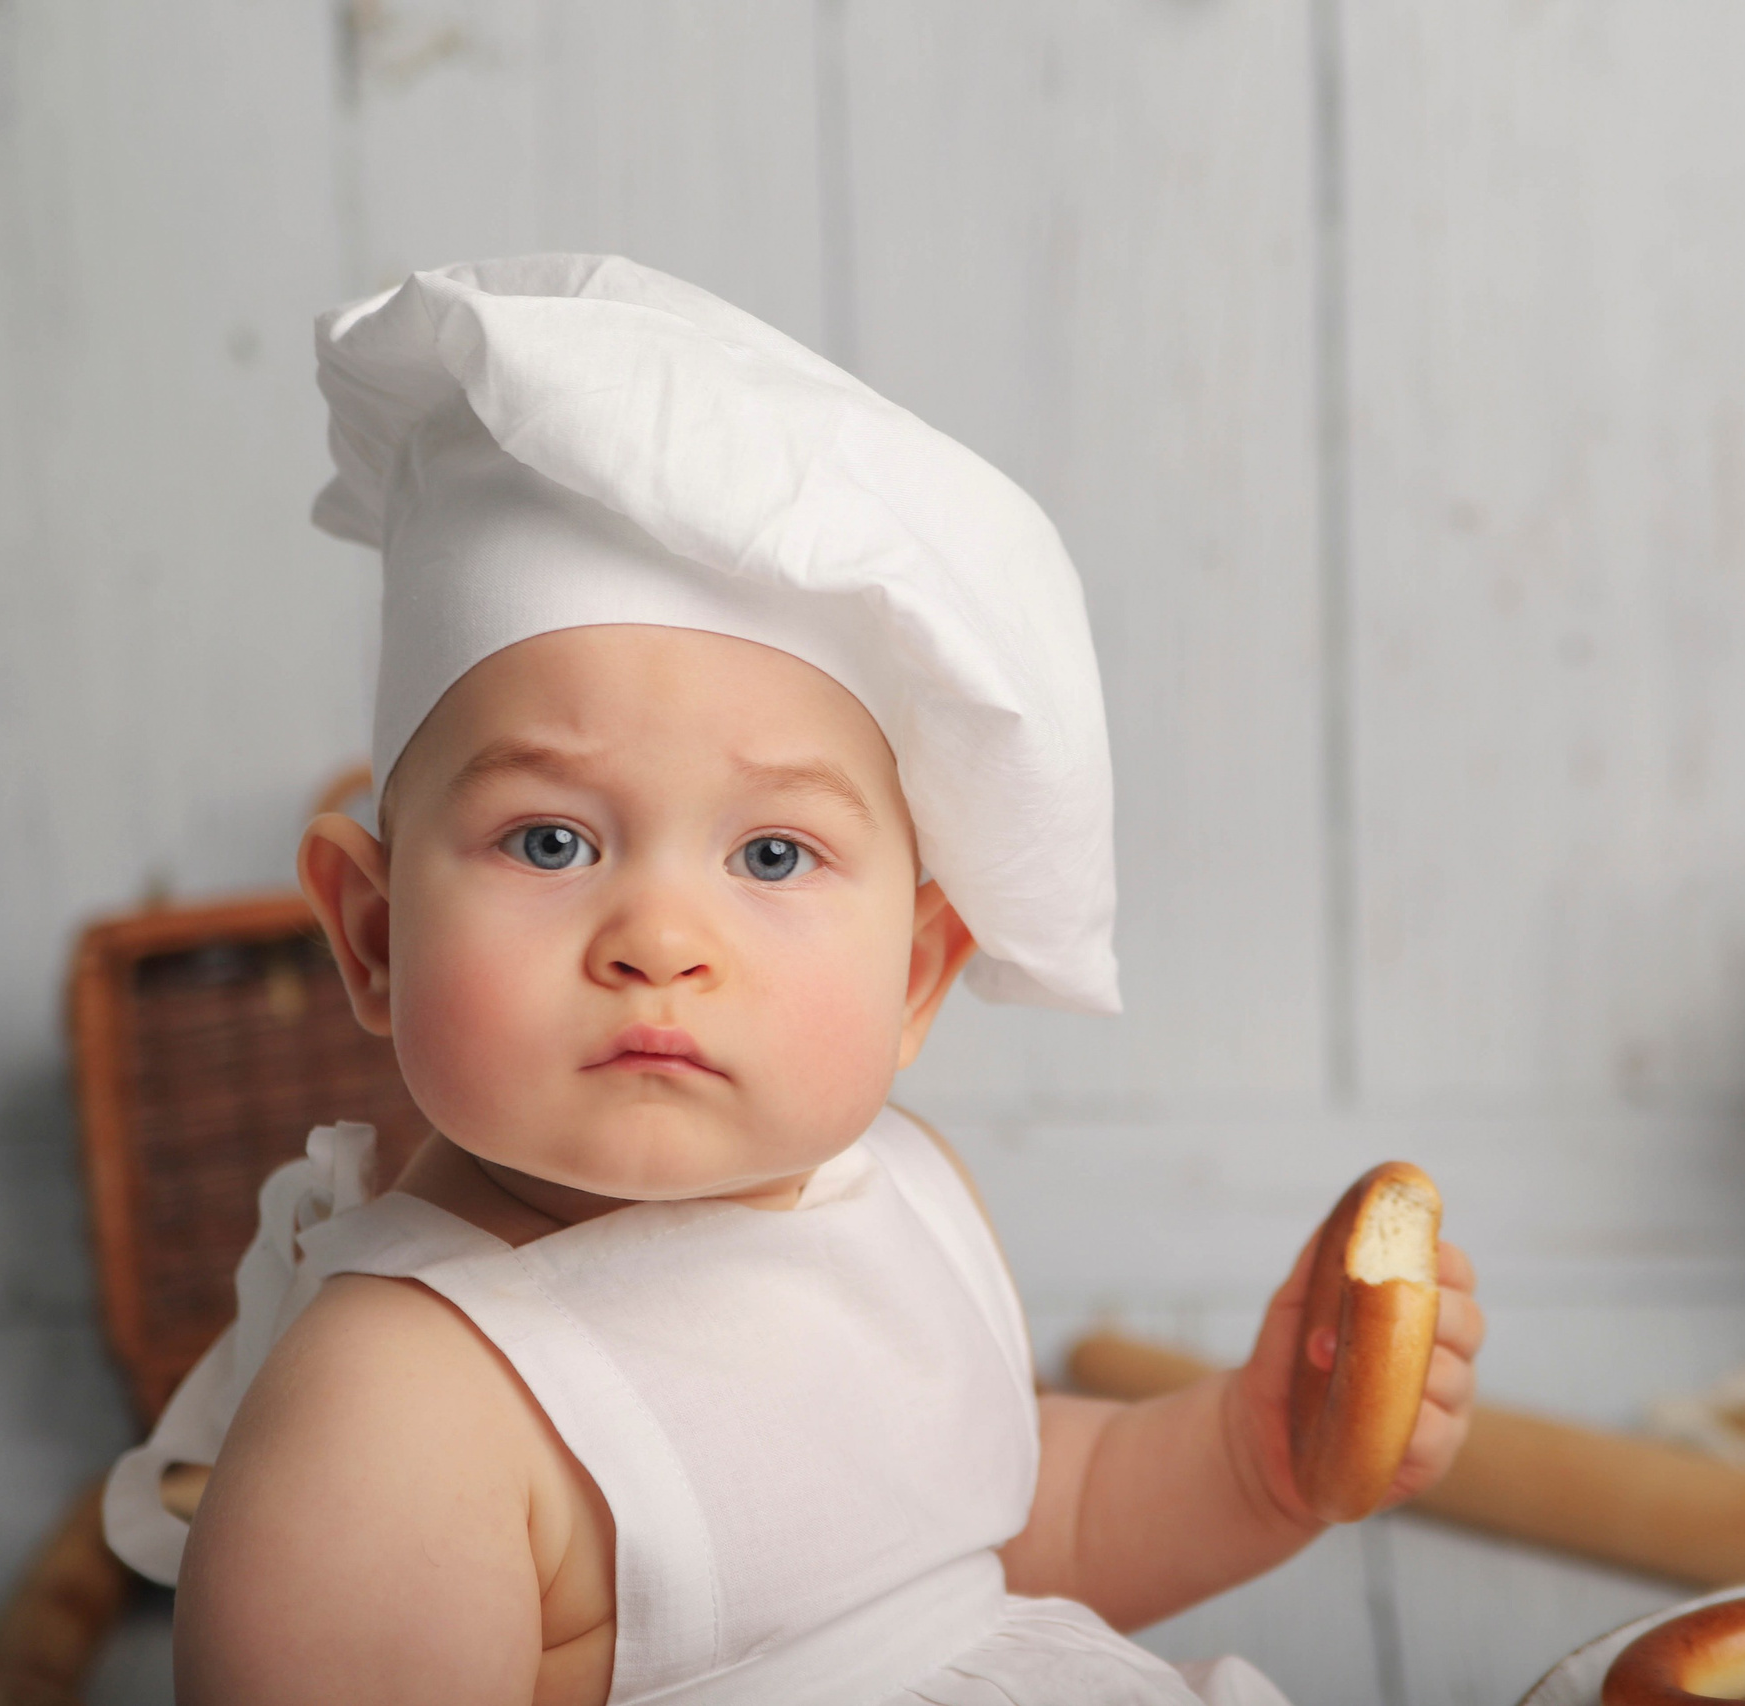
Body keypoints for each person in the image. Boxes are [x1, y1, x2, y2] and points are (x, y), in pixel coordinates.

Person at [103, 254, 1485, 1704]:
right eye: (552, 837)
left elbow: (999, 1556)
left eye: (770, 855)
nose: (659, 935)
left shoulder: (900, 1199)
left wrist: (1249, 1458)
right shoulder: (397, 1412)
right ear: (373, 934)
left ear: (916, 974)